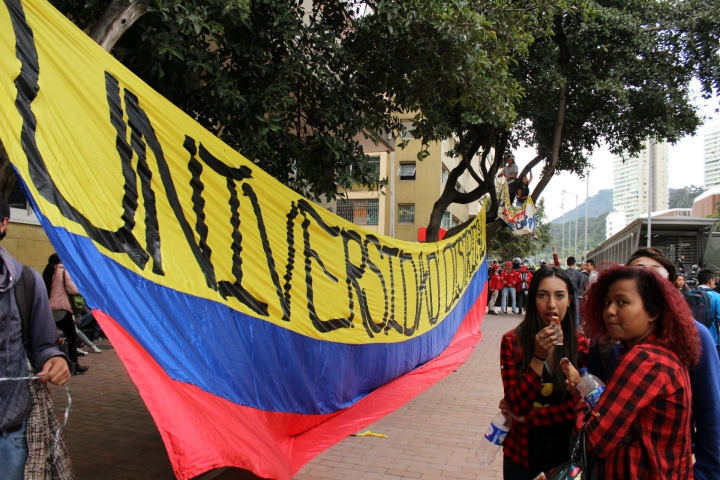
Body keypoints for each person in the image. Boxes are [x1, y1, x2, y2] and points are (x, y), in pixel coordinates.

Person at [583, 247, 720, 480]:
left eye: (623, 302)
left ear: (654, 309)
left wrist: (582, 399)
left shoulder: (644, 359)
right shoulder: (654, 350)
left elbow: (595, 440)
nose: (610, 311)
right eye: (607, 303)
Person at [0, 195, 72, 480]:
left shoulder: (26, 282)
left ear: (4, 223)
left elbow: (43, 344)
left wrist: (55, 359)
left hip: (8, 436)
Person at [498, 267, 588, 479]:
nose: (551, 305)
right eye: (542, 295)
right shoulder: (513, 341)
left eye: (559, 295)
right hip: (521, 453)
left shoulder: (581, 344)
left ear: (570, 301)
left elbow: (582, 403)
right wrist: (538, 357)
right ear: (532, 301)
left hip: (566, 453)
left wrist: (527, 418)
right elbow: (515, 403)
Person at [42, 254, 89, 374]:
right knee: (72, 337)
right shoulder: (63, 272)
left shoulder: (47, 272)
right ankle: (74, 364)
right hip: (62, 309)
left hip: (48, 310)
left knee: (49, 337)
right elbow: (73, 290)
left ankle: (47, 363)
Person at [695, 268, 720, 355]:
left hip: (693, 338)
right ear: (710, 281)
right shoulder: (716, 296)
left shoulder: (690, 294)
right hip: (712, 339)